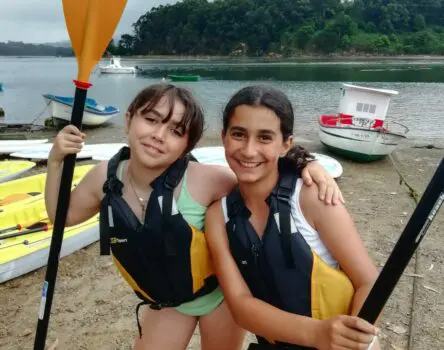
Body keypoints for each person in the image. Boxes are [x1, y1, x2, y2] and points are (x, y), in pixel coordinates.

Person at [45, 84, 345, 350]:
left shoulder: (207, 180)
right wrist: (56, 161)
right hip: (168, 301)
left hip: (220, 297)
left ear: (187, 146)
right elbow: (62, 216)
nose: (158, 136)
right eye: (150, 120)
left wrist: (305, 163)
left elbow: (259, 176)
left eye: (176, 131)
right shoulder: (105, 179)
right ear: (128, 119)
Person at [205, 85, 381, 350]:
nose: (249, 151)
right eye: (239, 134)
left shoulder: (311, 198)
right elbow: (240, 305)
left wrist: (354, 339)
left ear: (285, 143)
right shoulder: (219, 216)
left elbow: (368, 282)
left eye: (265, 137)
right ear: (224, 137)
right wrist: (318, 334)